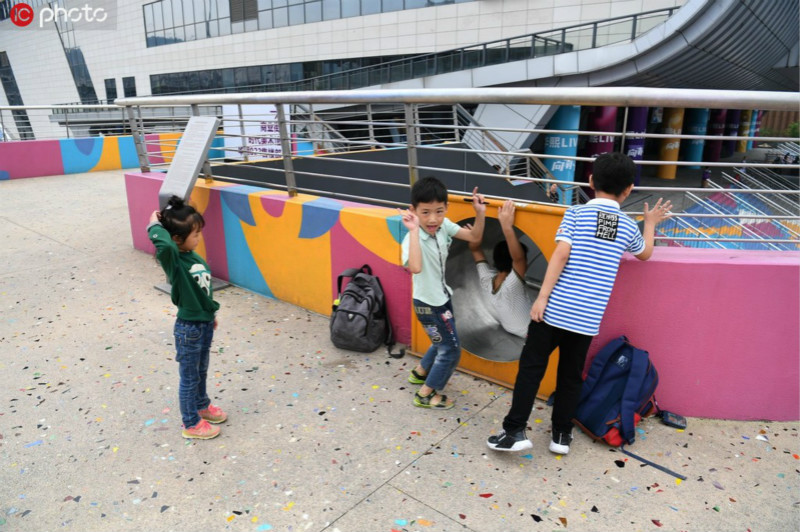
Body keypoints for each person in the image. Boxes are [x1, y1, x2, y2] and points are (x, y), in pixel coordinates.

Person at [486, 152, 672, 455]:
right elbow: (645, 253)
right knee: (570, 377)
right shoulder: (627, 226)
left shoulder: (576, 213)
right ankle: (561, 435)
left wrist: (542, 297)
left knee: (531, 370)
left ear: (591, 181)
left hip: (554, 311)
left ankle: (514, 430)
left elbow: (561, 254)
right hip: (586, 320)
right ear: (628, 190)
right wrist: (649, 222)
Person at [400, 177, 486, 410]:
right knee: (451, 351)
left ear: (446, 208)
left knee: (443, 341)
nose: (433, 219)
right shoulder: (411, 239)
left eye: (439, 211)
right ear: (413, 211)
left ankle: (420, 373)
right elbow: (415, 267)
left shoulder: (444, 226)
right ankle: (426, 394)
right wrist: (414, 231)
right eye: (425, 212)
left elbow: (474, 238)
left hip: (443, 297)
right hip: (428, 305)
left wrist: (479, 213)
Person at [148, 196, 227, 440]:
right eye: (195, 234)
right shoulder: (174, 260)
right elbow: (164, 247)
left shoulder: (192, 256)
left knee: (201, 371)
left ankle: (201, 406)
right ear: (176, 239)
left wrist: (210, 313)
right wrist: (154, 225)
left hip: (203, 324)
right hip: (189, 328)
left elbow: (202, 290)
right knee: (190, 377)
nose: (199, 238)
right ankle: (191, 423)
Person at [468, 200, 533, 338]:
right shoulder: (512, 286)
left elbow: (475, 249)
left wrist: (473, 234)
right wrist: (506, 227)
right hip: (528, 332)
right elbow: (519, 259)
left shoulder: (487, 280)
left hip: (509, 327)